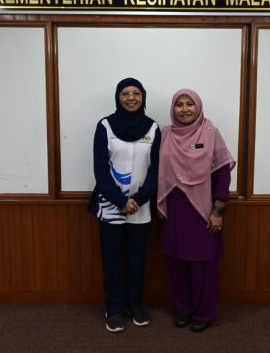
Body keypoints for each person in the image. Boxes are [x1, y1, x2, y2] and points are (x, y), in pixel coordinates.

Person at [157, 88, 235, 333]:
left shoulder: (211, 132)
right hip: (175, 208)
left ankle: (204, 313)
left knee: (204, 267)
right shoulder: (166, 134)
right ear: (173, 109)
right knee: (176, 262)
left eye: (189, 104)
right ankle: (183, 310)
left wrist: (218, 210)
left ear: (198, 106)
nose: (184, 109)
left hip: (202, 210)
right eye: (179, 104)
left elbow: (223, 174)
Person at [88, 77, 161, 333]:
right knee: (112, 260)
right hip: (111, 206)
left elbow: (156, 170)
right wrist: (120, 201)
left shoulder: (153, 128)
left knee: (137, 259)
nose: (131, 98)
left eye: (136, 93)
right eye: (125, 93)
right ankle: (114, 308)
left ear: (143, 97)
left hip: (140, 206)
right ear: (118, 98)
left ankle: (135, 304)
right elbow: (100, 168)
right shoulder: (105, 126)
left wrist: (137, 200)